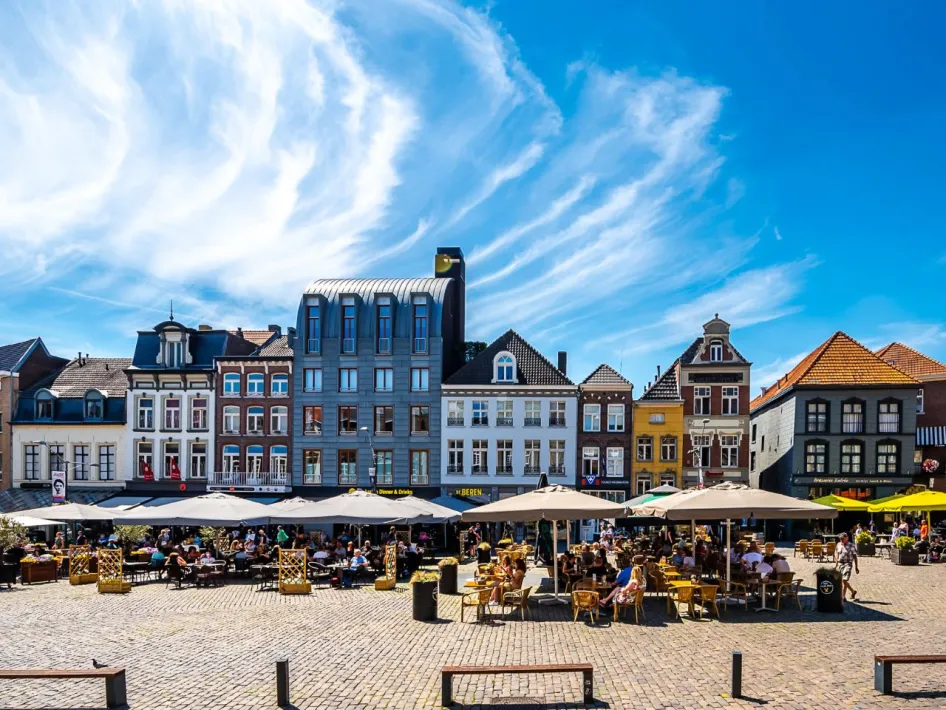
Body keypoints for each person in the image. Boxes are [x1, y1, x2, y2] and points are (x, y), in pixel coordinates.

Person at [835, 531, 859, 602]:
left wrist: (856, 567)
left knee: (844, 580)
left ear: (847, 538)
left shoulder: (851, 545)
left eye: (843, 538)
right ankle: (853, 591)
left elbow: (855, 557)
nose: (841, 540)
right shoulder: (838, 544)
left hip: (848, 564)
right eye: (840, 539)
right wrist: (836, 563)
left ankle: (843, 597)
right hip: (840, 564)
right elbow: (836, 552)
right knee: (840, 580)